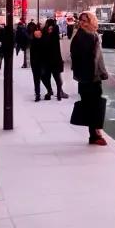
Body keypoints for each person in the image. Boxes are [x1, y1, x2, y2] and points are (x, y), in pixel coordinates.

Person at [70, 11, 109, 145]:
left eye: (84, 20)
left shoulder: (89, 35)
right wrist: (96, 74)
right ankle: (95, 134)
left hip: (89, 76)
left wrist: (102, 73)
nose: (81, 23)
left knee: (92, 104)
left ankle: (95, 133)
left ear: (91, 21)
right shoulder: (84, 36)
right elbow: (91, 59)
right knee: (94, 105)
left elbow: (98, 59)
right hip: (89, 77)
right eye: (80, 20)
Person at [42, 18, 69, 100]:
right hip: (54, 58)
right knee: (55, 77)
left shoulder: (50, 32)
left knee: (48, 76)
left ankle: (55, 92)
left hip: (49, 59)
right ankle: (57, 92)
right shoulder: (50, 32)